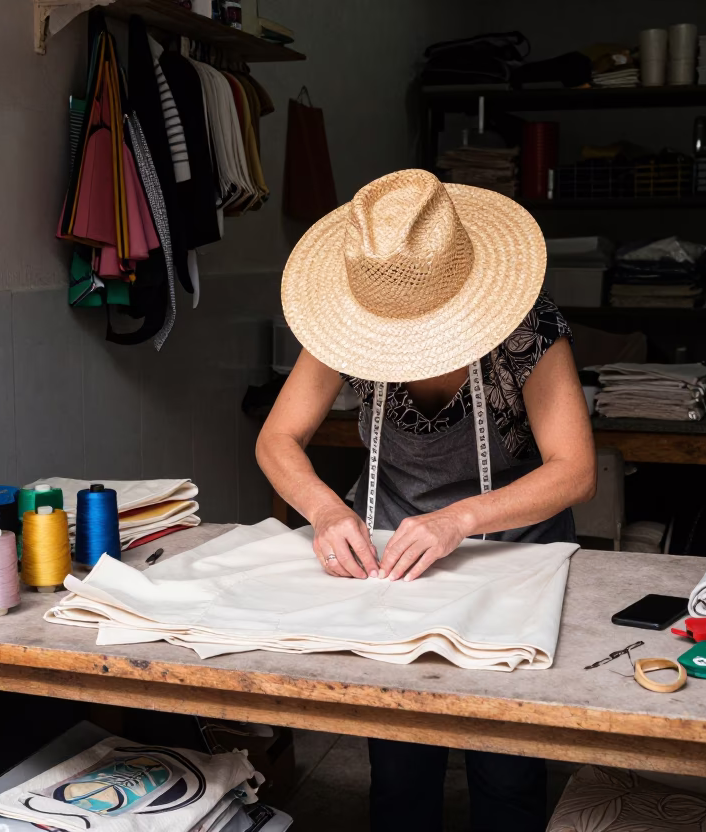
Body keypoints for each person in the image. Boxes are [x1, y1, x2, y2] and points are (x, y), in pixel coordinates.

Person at [256, 169, 597, 830]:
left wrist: (460, 520)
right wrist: (326, 511)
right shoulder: (348, 323)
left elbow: (575, 469)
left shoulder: (527, 327)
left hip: (511, 552)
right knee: (400, 758)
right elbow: (277, 439)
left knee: (504, 764)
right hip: (392, 558)